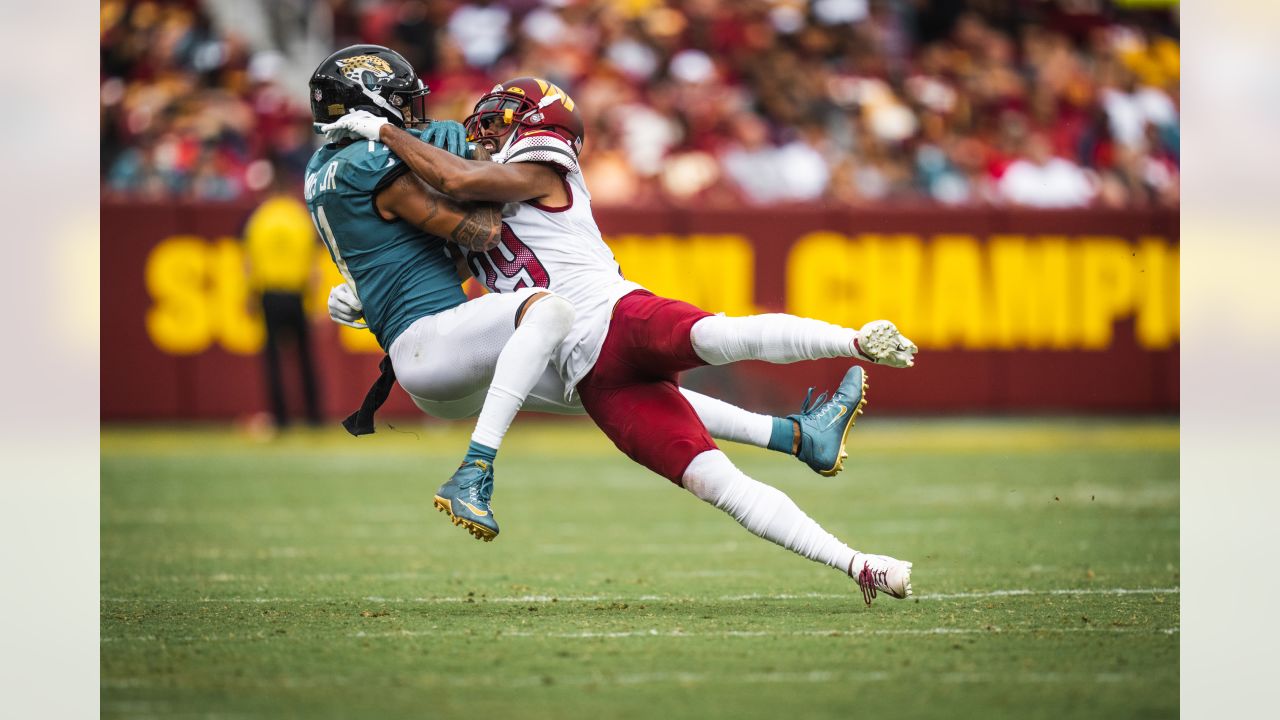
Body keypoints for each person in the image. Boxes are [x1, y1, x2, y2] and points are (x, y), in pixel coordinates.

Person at [321, 78, 920, 604]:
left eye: (501, 115)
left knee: (722, 334)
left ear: (533, 127)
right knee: (716, 483)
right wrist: (370, 291)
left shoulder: (540, 165)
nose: (484, 124)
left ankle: (857, 340)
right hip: (591, 375)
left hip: (616, 318)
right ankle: (859, 561)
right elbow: (447, 248)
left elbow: (462, 175)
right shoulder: (475, 199)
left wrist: (384, 131)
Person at [243, 170, 323, 429]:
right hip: (295, 294)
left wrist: (250, 295)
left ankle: (281, 418)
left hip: (270, 294)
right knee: (305, 358)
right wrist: (313, 302)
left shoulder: (260, 219)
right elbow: (313, 267)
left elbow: (248, 263)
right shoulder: (299, 217)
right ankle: (314, 417)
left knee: (273, 361)